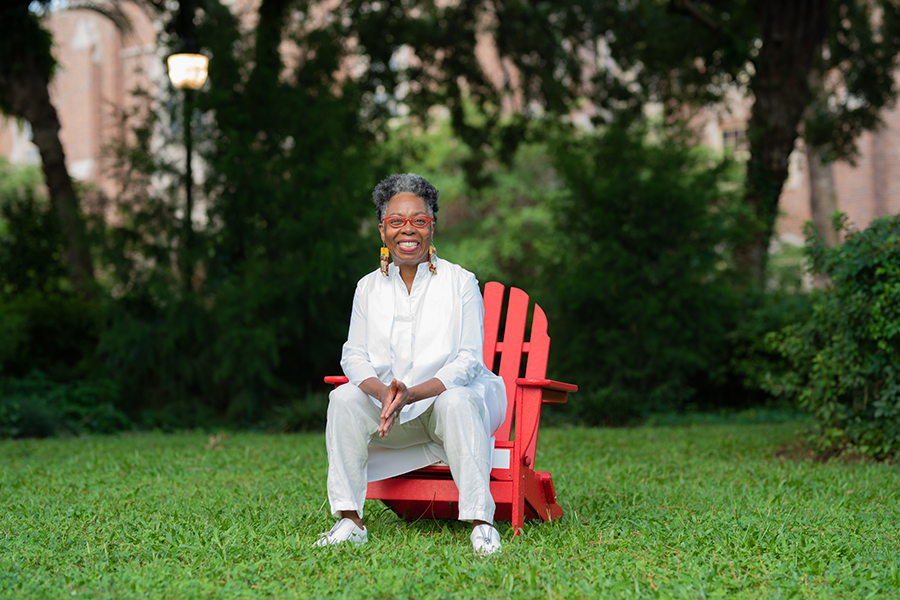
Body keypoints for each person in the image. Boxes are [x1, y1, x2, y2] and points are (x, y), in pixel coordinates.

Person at [315, 173, 507, 556]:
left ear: (432, 226)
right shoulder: (367, 287)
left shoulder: (460, 282)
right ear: (382, 228)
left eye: (419, 220)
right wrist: (385, 393)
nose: (409, 230)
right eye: (397, 220)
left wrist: (413, 393)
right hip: (393, 416)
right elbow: (353, 355)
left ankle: (481, 524)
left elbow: (468, 360)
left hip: (449, 410)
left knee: (458, 399)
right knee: (343, 399)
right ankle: (350, 520)